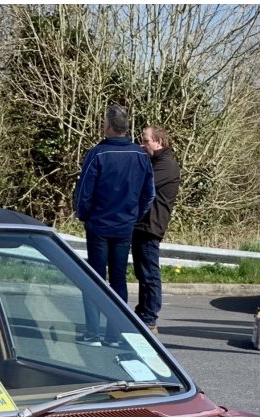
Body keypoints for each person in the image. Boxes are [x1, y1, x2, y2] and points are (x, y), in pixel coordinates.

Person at [74, 105, 154, 345]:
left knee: (95, 278)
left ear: (109, 126)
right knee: (118, 279)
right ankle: (115, 333)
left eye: (103, 123)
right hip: (124, 226)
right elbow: (149, 194)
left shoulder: (97, 154)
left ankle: (93, 332)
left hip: (99, 224)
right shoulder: (140, 156)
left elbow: (83, 192)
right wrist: (134, 216)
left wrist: (84, 215)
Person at [130, 125, 180, 332]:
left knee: (149, 273)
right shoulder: (156, 161)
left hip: (151, 225)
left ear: (159, 142)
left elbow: (143, 184)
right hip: (143, 224)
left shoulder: (166, 165)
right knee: (143, 272)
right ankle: (143, 312)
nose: (143, 145)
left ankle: (149, 316)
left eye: (146, 141)